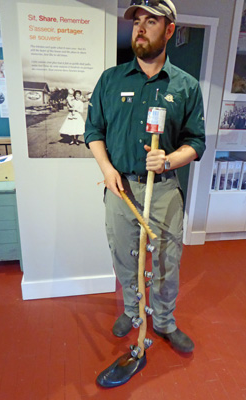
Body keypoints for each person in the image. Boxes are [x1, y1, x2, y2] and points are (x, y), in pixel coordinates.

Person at [84, 0, 205, 353]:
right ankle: (133, 312)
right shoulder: (111, 79)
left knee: (168, 259)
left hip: (164, 190)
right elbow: (93, 131)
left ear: (169, 30)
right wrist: (107, 171)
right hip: (120, 188)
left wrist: (167, 160)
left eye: (151, 21)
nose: (140, 27)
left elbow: (196, 142)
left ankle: (165, 321)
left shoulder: (185, 86)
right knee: (124, 255)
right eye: (137, 20)